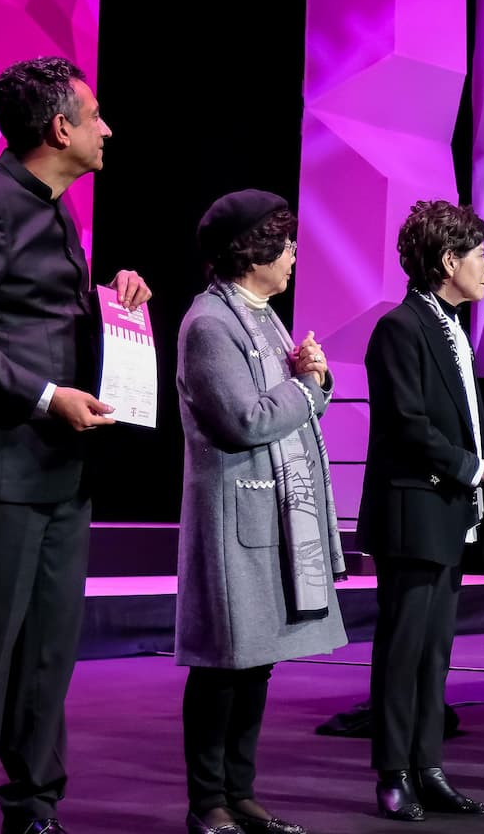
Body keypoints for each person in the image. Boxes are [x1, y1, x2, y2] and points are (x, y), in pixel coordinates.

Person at [0, 57, 150, 834]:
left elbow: (28, 312)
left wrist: (108, 298)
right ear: (60, 128)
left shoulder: (56, 209)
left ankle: (35, 803)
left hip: (56, 471)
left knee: (48, 652)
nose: (107, 128)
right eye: (97, 114)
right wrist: (46, 396)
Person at [359, 199, 484, 822]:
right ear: (448, 261)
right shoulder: (400, 328)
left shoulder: (450, 327)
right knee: (404, 647)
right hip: (413, 513)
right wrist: (476, 467)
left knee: (436, 651)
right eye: (480, 255)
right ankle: (392, 772)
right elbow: (408, 427)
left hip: (449, 511)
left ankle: (428, 766)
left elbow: (460, 423)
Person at [174, 190, 346, 834]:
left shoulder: (266, 315)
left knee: (259, 660)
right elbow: (246, 420)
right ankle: (207, 801)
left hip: (277, 512)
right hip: (236, 513)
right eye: (287, 243)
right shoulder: (209, 323)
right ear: (256, 250)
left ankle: (240, 791)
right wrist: (307, 387)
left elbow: (293, 403)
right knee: (225, 660)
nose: (296, 256)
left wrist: (315, 381)